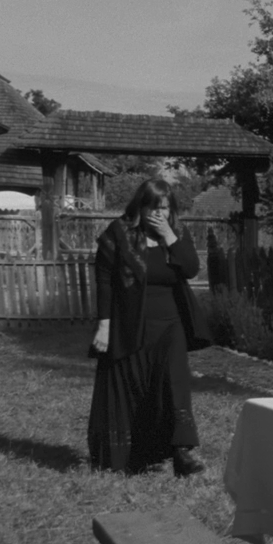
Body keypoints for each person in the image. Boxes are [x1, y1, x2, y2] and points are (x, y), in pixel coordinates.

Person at [87, 179, 211, 475]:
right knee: (135, 387)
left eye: (165, 208)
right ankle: (134, 455)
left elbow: (191, 269)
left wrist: (169, 236)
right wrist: (104, 326)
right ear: (140, 207)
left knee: (175, 384)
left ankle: (182, 453)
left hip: (171, 326)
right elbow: (104, 279)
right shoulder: (120, 233)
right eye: (153, 207)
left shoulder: (177, 234)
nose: (159, 214)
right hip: (132, 323)